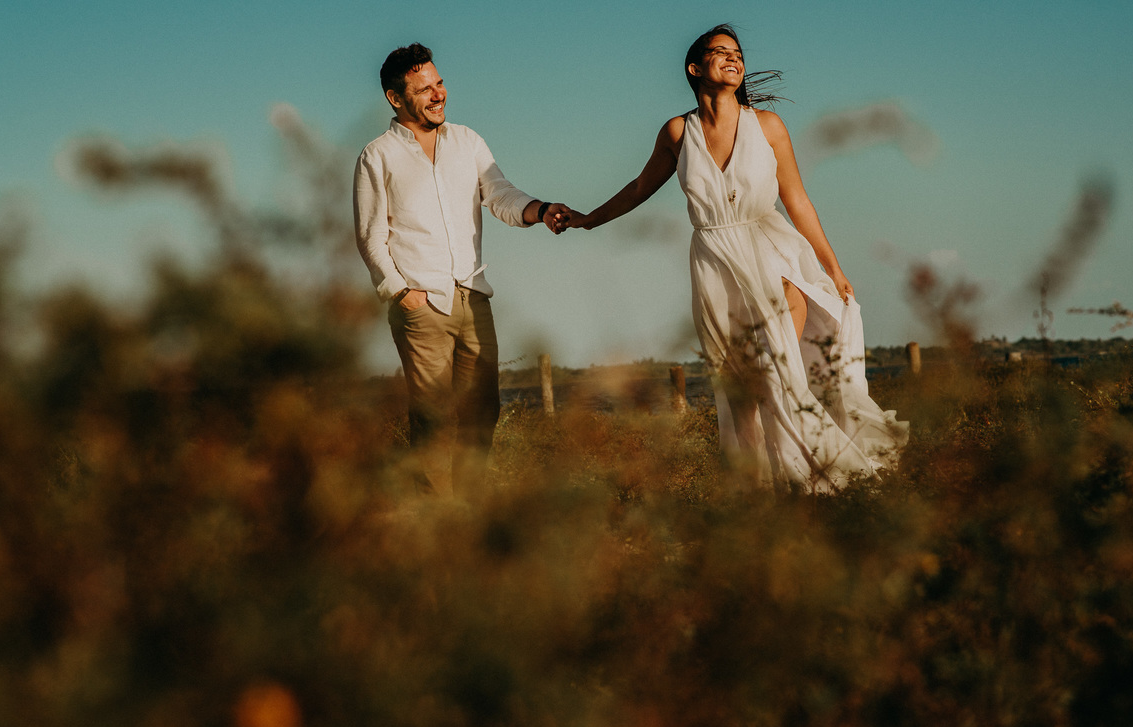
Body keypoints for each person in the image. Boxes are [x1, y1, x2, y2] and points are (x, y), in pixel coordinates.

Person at [565, 25, 907, 490]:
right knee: (740, 390)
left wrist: (833, 267)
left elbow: (797, 199)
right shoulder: (676, 132)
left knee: (782, 374)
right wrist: (589, 220)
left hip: (773, 250)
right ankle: (759, 495)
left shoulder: (766, 126)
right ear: (694, 67)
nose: (733, 59)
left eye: (738, 53)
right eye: (720, 52)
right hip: (714, 263)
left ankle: (824, 481)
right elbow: (640, 188)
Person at [354, 42, 573, 496]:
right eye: (424, 89)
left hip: (474, 296)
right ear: (396, 99)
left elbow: (501, 195)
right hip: (419, 303)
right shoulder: (377, 156)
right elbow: (370, 236)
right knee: (432, 414)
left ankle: (470, 511)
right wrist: (401, 293)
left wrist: (543, 209)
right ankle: (434, 519)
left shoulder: (468, 141)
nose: (438, 95)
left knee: (481, 408)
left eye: (439, 83)